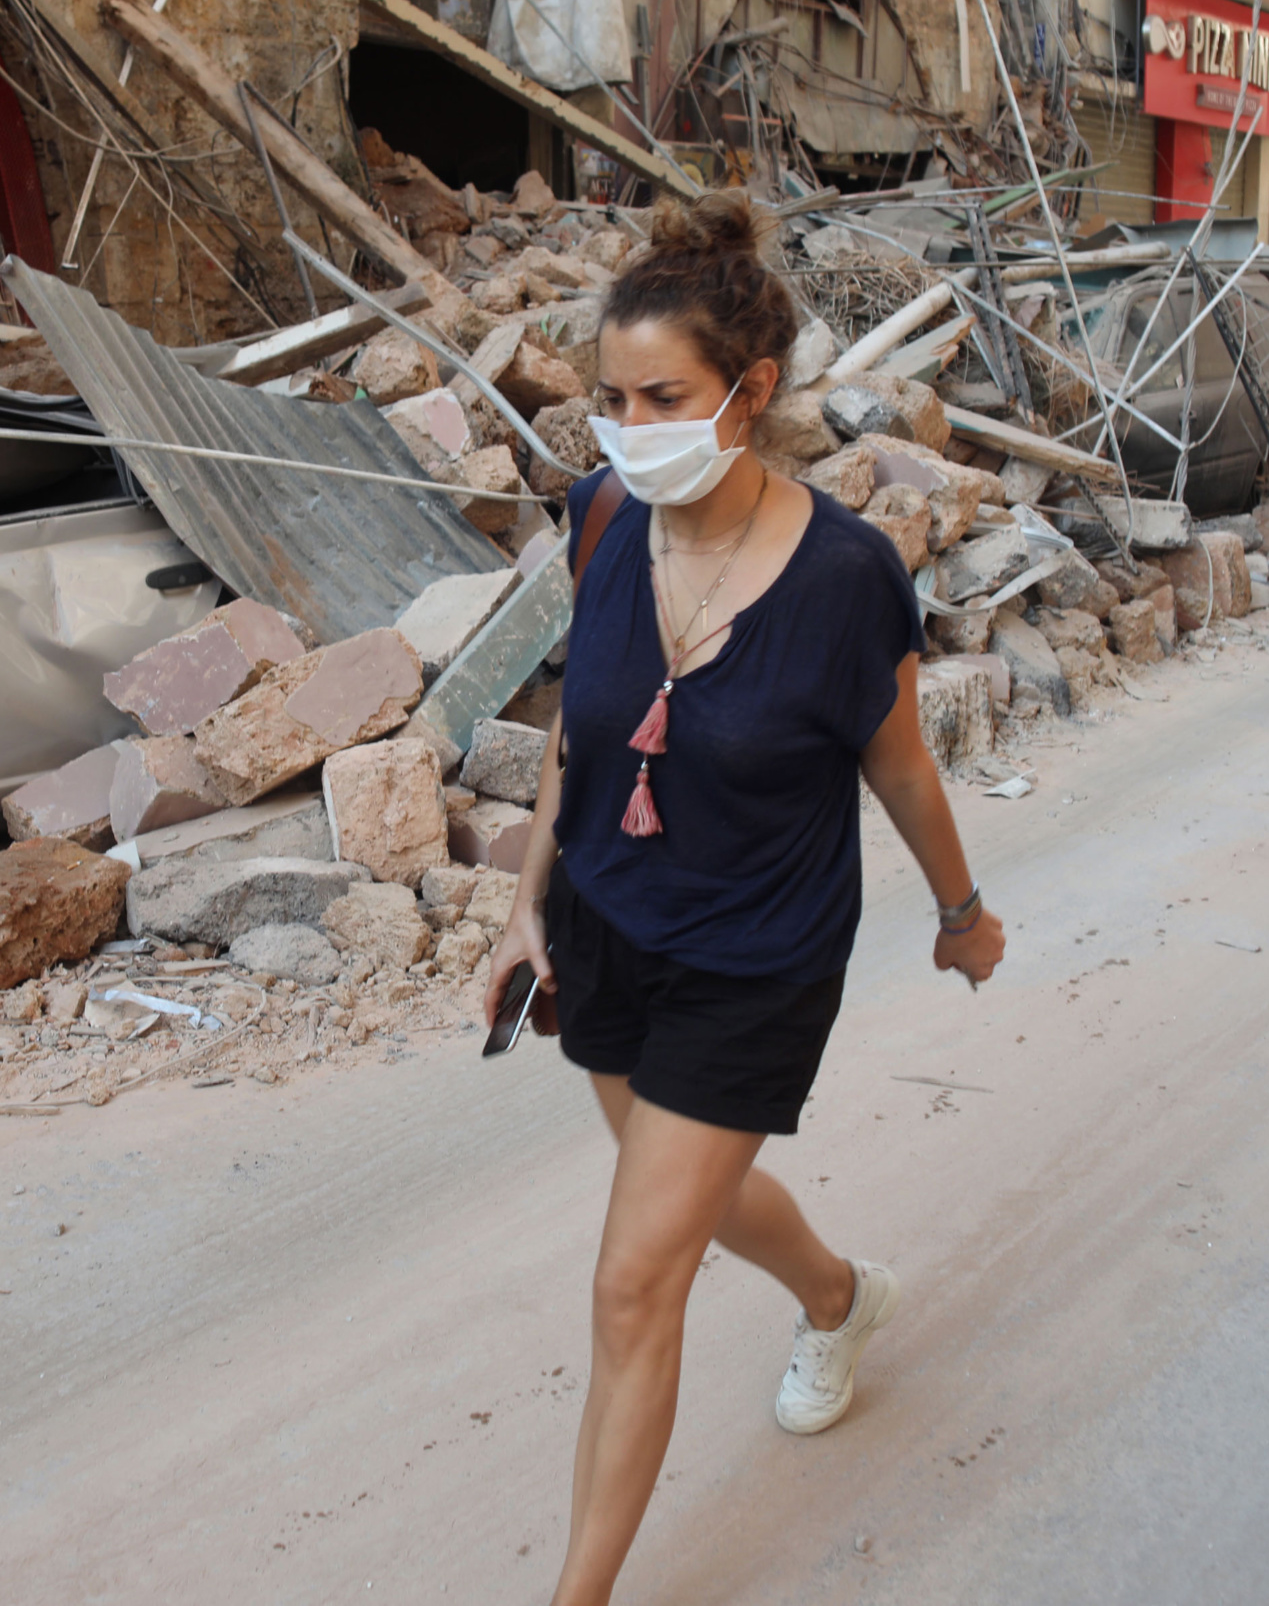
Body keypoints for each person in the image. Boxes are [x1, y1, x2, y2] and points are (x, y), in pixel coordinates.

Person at [479, 190, 1007, 1606]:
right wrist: (527, 907)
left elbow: (897, 765)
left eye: (664, 395)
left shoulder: (846, 577)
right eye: (611, 394)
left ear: (750, 392)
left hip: (756, 955)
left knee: (633, 1278)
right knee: (690, 1207)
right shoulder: (601, 519)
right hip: (606, 928)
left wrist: (962, 911)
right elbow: (580, 737)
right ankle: (840, 1298)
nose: (627, 421)